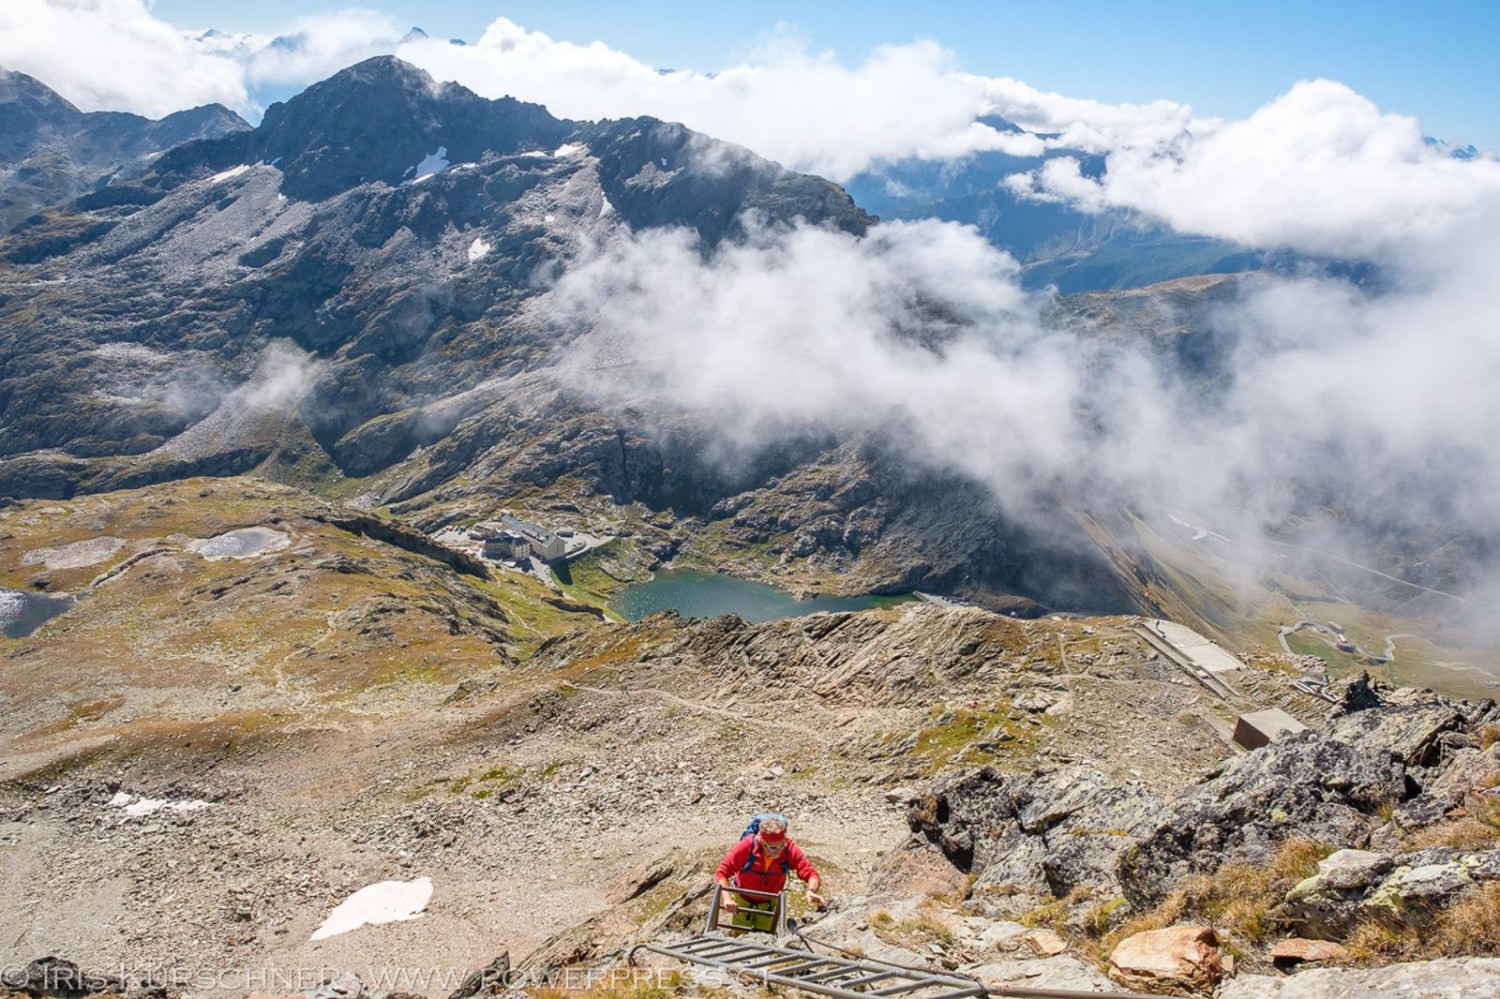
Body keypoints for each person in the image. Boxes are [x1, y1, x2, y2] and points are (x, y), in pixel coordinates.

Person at [714, 814, 826, 932]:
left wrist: (811, 890)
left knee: (764, 936)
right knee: (739, 933)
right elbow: (722, 873)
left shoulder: (789, 849)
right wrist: (727, 899)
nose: (778, 850)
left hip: (768, 904)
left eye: (781, 845)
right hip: (743, 901)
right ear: (762, 841)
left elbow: (811, 873)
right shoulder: (747, 846)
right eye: (773, 847)